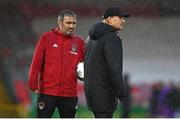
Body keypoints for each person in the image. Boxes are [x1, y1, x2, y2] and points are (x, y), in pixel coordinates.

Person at [28, 9, 85, 118]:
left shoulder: (79, 42)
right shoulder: (47, 38)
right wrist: (33, 83)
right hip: (47, 93)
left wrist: (84, 75)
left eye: (74, 23)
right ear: (60, 22)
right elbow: (36, 62)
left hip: (70, 94)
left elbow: (85, 65)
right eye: (68, 23)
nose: (72, 26)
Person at [84, 6, 130, 118]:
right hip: (105, 93)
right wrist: (122, 93)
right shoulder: (111, 38)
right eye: (120, 17)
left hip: (92, 91)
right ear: (109, 19)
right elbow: (114, 68)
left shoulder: (92, 37)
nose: (123, 21)